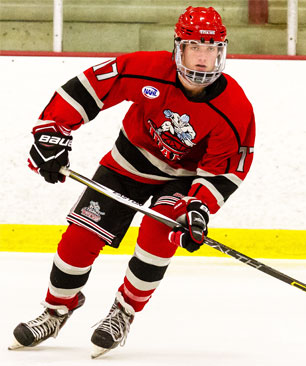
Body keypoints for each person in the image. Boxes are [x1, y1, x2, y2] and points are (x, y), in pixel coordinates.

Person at [9, 6, 255, 358]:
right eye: (195, 48)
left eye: (212, 49)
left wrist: (199, 206)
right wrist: (53, 132)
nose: (203, 59)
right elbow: (90, 88)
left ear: (223, 51)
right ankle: (56, 310)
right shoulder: (149, 69)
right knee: (79, 239)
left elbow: (226, 169)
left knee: (159, 236)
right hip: (125, 166)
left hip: (180, 183)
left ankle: (123, 311)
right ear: (178, 48)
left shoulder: (235, 108)